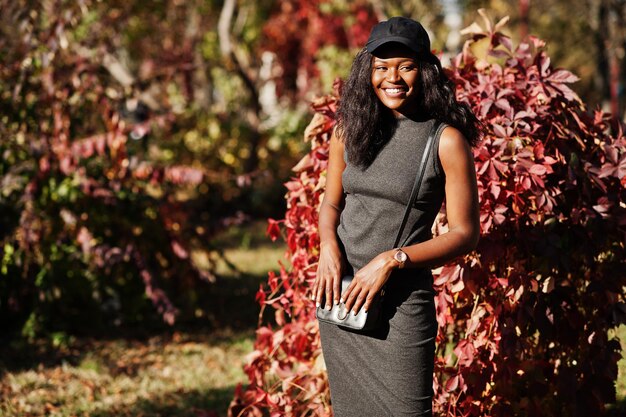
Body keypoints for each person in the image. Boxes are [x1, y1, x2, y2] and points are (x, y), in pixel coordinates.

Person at [312, 16, 481, 417]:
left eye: (405, 66)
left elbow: (465, 233)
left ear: (424, 71)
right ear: (366, 70)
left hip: (402, 308)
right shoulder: (349, 130)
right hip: (343, 299)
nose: (393, 77)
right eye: (381, 67)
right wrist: (327, 246)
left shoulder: (445, 140)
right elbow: (331, 204)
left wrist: (393, 259)